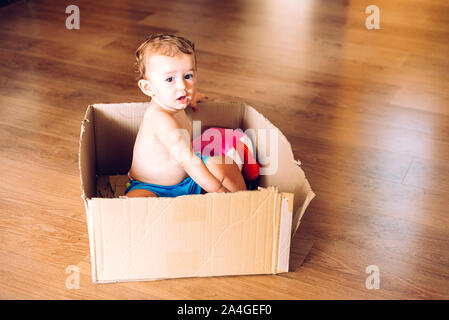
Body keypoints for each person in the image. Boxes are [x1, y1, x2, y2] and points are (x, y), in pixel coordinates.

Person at [125, 33, 247, 198]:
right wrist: (218, 190)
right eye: (170, 80)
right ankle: (221, 199)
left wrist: (192, 98)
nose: (182, 86)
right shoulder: (160, 119)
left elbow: (192, 165)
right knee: (136, 203)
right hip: (152, 188)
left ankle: (243, 200)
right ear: (148, 88)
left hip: (191, 178)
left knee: (223, 164)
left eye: (188, 76)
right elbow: (187, 160)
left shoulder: (173, 102)